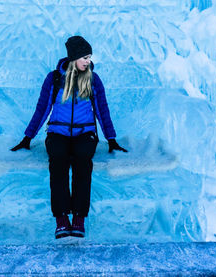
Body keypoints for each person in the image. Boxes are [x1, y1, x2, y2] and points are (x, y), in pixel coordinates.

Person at [11, 35, 128, 239]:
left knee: (83, 161)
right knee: (58, 160)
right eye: (84, 57)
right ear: (73, 58)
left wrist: (111, 139)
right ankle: (62, 219)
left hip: (85, 134)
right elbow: (42, 109)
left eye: (89, 57)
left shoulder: (93, 79)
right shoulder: (55, 78)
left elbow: (102, 110)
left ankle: (79, 218)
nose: (88, 61)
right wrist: (28, 137)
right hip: (58, 133)